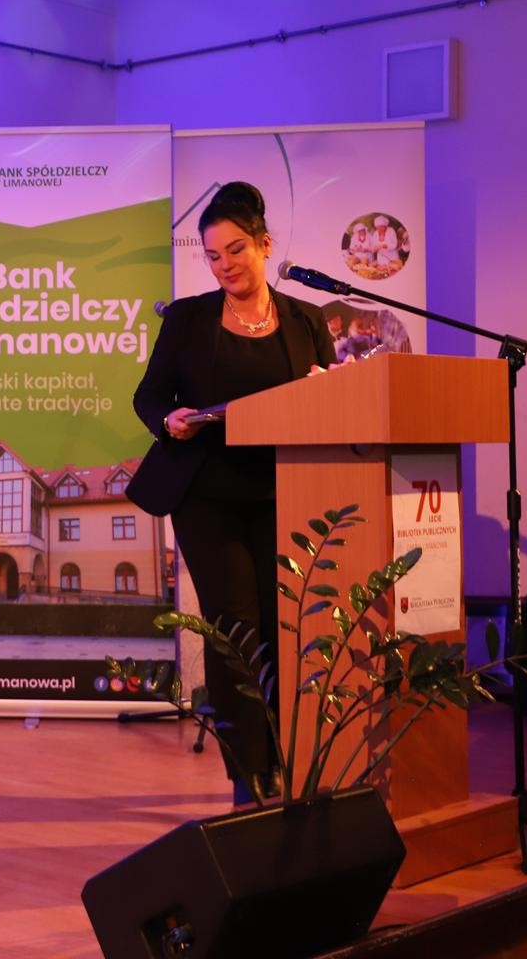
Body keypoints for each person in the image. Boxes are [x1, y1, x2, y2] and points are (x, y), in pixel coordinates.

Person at [125, 182, 337, 806]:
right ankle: (250, 772)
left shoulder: (307, 321)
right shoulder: (188, 319)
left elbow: (330, 399)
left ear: (265, 244)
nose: (224, 266)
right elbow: (148, 397)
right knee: (235, 627)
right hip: (207, 495)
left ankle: (289, 755)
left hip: (286, 492)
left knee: (283, 623)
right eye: (213, 256)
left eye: (236, 250)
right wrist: (169, 420)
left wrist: (326, 392)